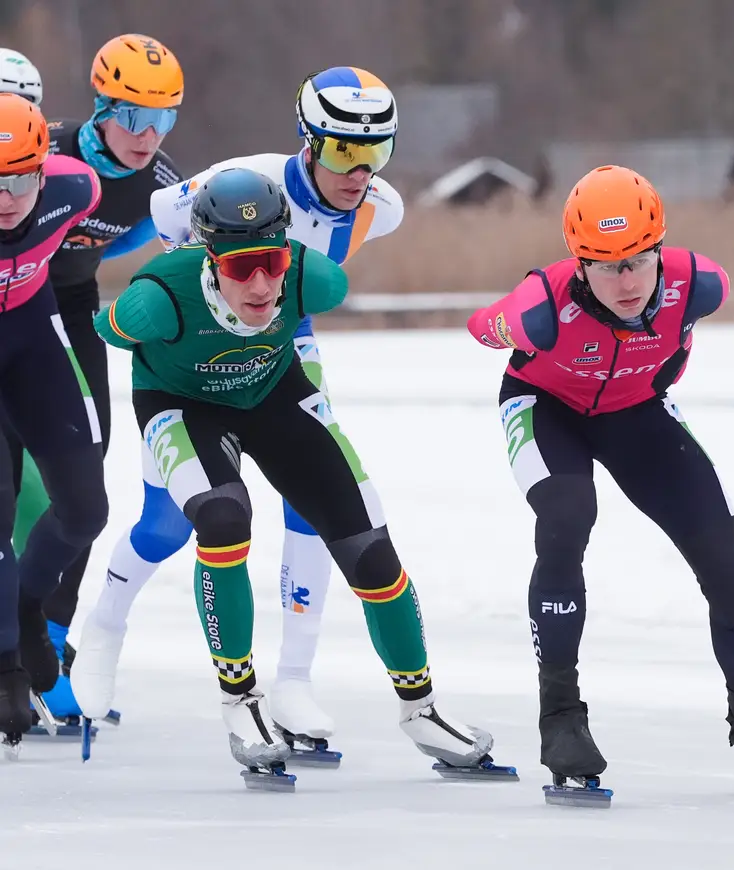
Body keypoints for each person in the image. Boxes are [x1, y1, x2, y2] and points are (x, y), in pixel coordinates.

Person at [71, 167, 498, 778]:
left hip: (272, 398)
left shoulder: (313, 278)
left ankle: (421, 708)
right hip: (181, 405)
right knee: (222, 519)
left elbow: (321, 257)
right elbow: (105, 329)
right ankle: (240, 699)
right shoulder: (156, 300)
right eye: (241, 267)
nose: (262, 282)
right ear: (207, 258)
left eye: (271, 259)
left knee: (370, 548)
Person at [73, 67, 402, 748]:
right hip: (196, 352)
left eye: (378, 152)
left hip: (288, 347)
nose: (360, 170)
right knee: (170, 520)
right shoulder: (248, 178)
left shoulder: (384, 205)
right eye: (344, 150)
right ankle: (105, 624)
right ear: (308, 141)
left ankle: (295, 680)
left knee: (316, 500)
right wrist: (193, 317)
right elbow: (167, 218)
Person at [466, 164, 734, 786]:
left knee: (720, 545)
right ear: (579, 263)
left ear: (659, 248)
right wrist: (507, 323)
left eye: (637, 260)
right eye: (606, 265)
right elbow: (480, 329)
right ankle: (561, 718)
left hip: (636, 411)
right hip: (545, 409)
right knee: (568, 515)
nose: (626, 280)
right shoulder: (543, 307)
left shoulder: (702, 285)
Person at [0, 34, 183, 722]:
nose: (148, 133)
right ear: (101, 104)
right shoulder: (52, 149)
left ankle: (51, 629)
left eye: (164, 117)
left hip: (63, 306)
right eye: (134, 114)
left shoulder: (156, 180)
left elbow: (177, 249)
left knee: (87, 470)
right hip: (25, 297)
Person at [0, 94, 107, 744]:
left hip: (32, 342)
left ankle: (29, 605)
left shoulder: (78, 189)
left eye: (20, 178)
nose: (8, 196)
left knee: (85, 510)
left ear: (45, 169)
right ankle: (4, 661)